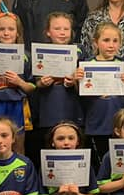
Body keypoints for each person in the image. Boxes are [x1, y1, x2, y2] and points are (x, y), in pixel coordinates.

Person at [76, 22, 124, 167]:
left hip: (119, 124)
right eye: (106, 40)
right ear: (95, 42)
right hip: (95, 123)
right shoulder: (86, 64)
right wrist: (76, 80)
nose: (111, 45)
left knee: (119, 164)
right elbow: (79, 93)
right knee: (100, 164)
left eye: (115, 41)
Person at [0, 12, 35, 154]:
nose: (6, 33)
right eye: (1, 29)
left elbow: (33, 88)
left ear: (18, 32)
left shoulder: (26, 56)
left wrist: (19, 82)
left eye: (11, 29)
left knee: (18, 145)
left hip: (17, 105)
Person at [31, 11, 84, 149]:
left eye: (66, 29)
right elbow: (33, 83)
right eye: (57, 28)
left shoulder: (80, 52)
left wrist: (75, 81)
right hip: (48, 109)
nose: (62, 32)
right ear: (48, 32)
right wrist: (41, 83)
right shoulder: (39, 52)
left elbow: (87, 82)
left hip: (73, 109)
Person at [37, 122, 99, 195]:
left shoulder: (86, 166)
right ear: (52, 142)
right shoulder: (45, 167)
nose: (66, 143)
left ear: (78, 141)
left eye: (71, 138)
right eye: (60, 139)